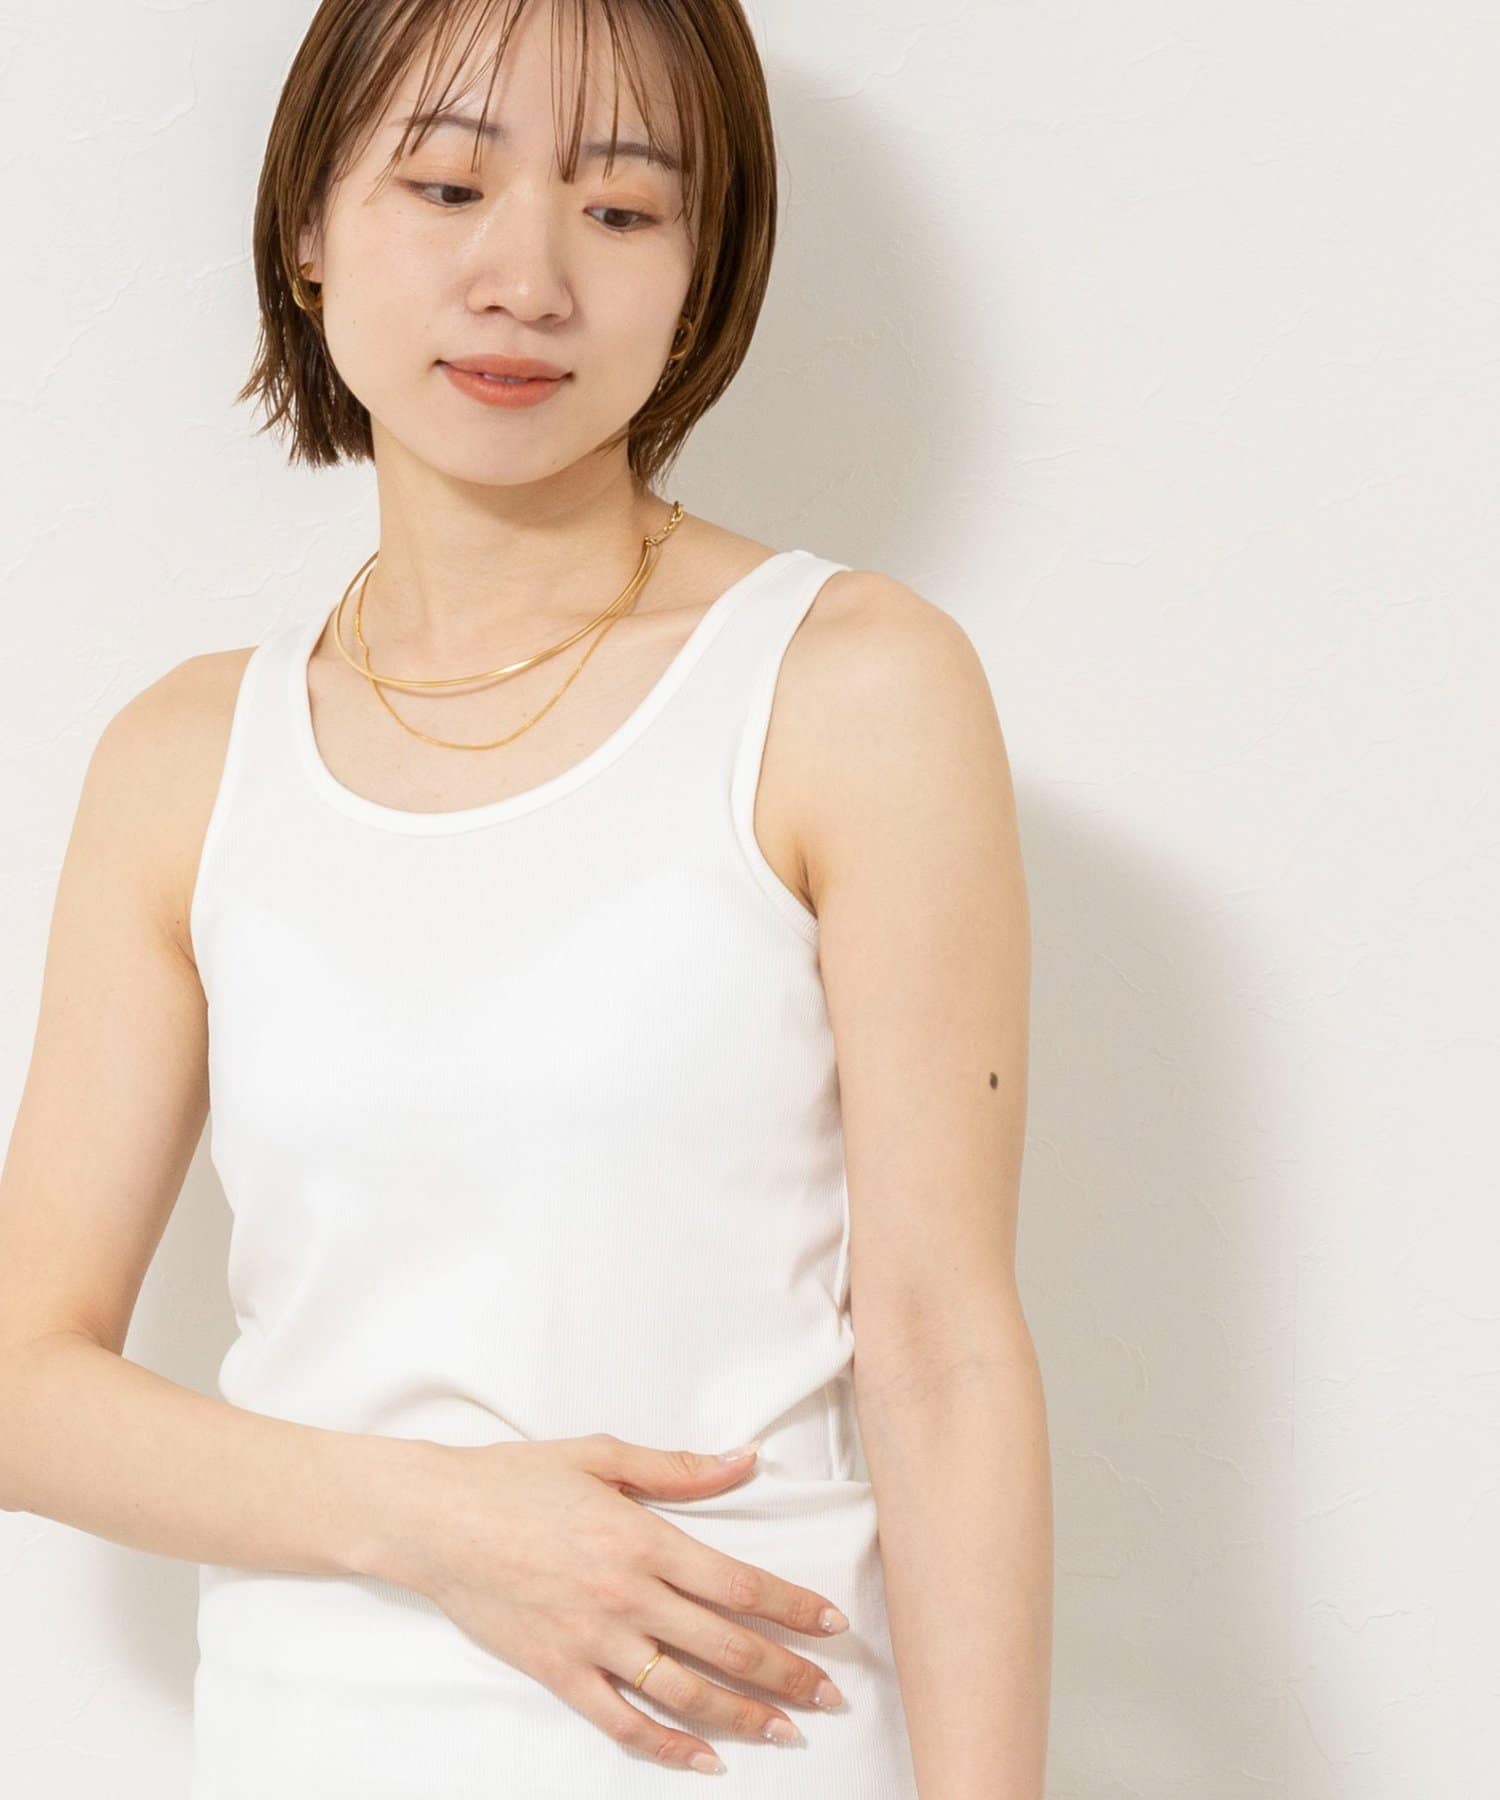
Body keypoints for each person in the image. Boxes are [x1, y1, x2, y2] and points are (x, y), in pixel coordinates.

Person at [0, 0, 1051, 1794]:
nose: (527, 281)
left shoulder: (851, 685)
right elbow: (23, 1382)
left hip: (754, 1750)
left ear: (702, 272)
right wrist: (450, 1524)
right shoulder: (185, 758)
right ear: (310, 228)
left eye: (621, 209)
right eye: (445, 186)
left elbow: (943, 1352)